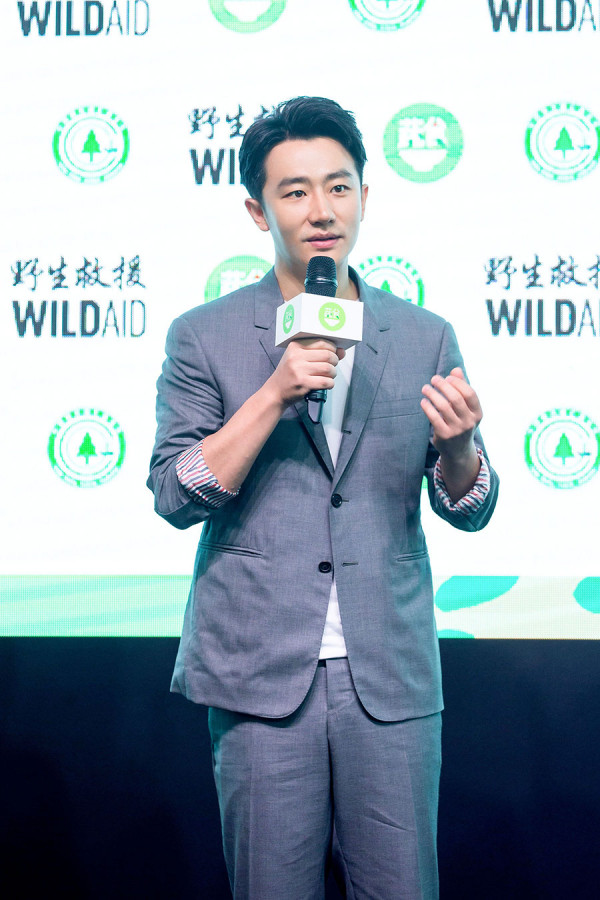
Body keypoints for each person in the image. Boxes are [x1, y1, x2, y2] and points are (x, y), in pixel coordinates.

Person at [148, 96, 498, 900]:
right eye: (296, 191)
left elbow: (471, 505)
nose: (322, 211)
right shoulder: (202, 335)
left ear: (365, 197)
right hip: (259, 672)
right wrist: (272, 392)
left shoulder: (424, 335)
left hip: (390, 673)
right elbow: (174, 493)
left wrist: (459, 450)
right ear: (257, 210)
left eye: (339, 187)